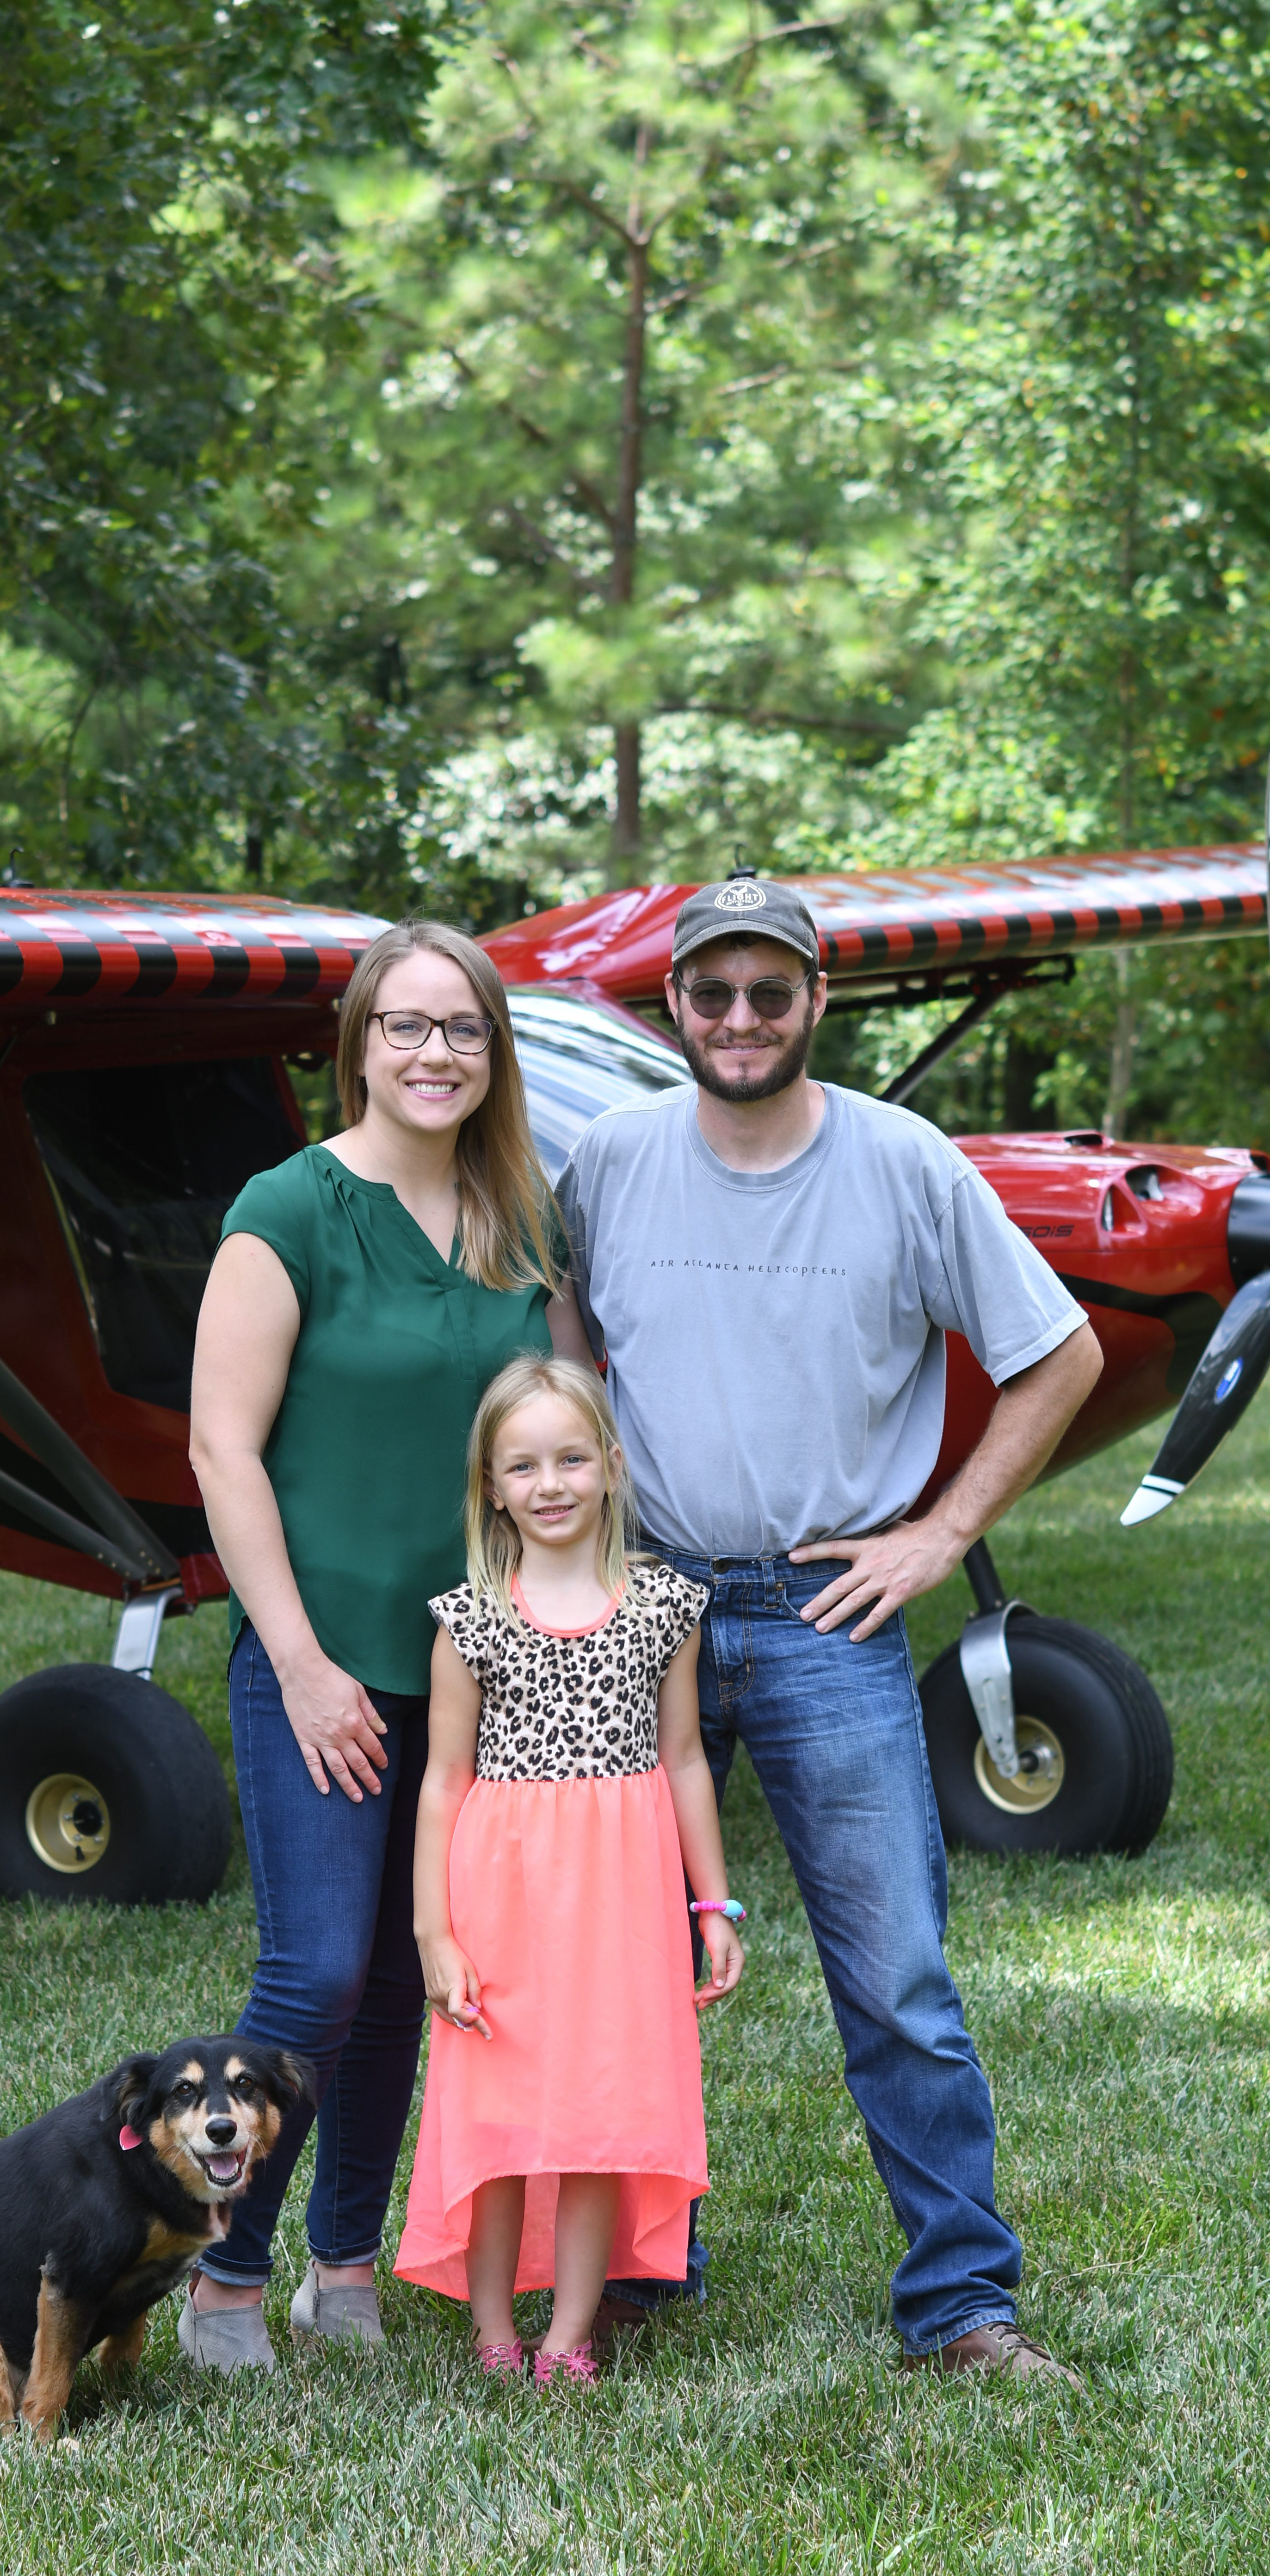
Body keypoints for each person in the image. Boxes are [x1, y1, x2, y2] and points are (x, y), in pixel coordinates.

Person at [557, 874, 1103, 2384]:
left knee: (899, 1976)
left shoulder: (904, 1162)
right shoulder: (606, 1160)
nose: (740, 1019)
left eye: (769, 991)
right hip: (646, 1593)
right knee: (608, 1959)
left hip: (822, 1602)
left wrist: (937, 1533)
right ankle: (622, 2272)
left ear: (816, 998)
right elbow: (561, 1329)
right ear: (673, 1002)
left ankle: (961, 2304)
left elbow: (1056, 1353)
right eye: (711, 992)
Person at [184, 921, 588, 2373]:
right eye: (407, 1027)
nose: (436, 1054)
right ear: (356, 1045)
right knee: (314, 1979)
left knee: (417, 1970)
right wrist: (295, 1661)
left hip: (483, 1671)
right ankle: (223, 2277)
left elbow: (563, 1434)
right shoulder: (286, 1209)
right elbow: (221, 1451)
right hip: (327, 1654)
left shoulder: (520, 1223)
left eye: (464, 1028)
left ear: (495, 1052)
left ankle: (339, 2264)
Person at [394, 1354, 745, 2383]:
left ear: (612, 1464)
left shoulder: (663, 1610)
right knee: (502, 2122)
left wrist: (711, 1902)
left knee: (602, 2115)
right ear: (491, 1488)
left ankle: (568, 2338)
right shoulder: (470, 1621)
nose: (550, 1485)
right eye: (523, 1466)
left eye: (571, 1459)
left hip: (622, 1909)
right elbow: (441, 1785)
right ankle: (495, 2331)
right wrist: (434, 1933)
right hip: (503, 1907)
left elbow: (684, 1760)